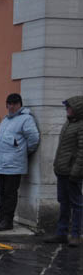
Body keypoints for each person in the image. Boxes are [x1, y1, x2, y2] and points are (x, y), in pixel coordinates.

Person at [0, 93, 40, 231]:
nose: (11, 106)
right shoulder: (6, 119)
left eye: (14, 104)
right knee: (1, 192)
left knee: (10, 193)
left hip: (14, 164)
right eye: (9, 104)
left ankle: (8, 220)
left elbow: (33, 139)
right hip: (1, 164)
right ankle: (1, 216)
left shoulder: (26, 119)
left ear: (20, 104)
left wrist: (22, 152)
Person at [44, 96, 83, 247]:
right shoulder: (68, 123)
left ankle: (75, 235)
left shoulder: (80, 126)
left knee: (77, 204)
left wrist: (76, 171)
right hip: (62, 171)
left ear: (77, 109)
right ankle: (61, 232)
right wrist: (56, 165)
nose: (67, 110)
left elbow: (81, 151)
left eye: (69, 107)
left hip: (73, 173)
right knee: (63, 202)